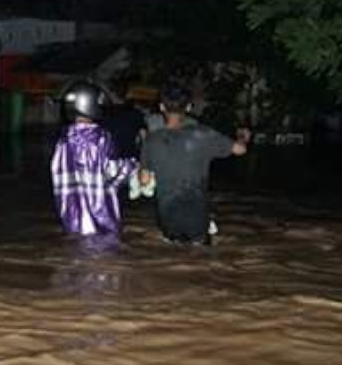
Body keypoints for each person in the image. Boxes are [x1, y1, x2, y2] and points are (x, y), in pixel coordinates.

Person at [140, 86, 250, 244]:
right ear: (189, 107)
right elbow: (240, 150)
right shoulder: (204, 134)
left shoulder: (151, 140)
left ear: (162, 107)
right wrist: (242, 137)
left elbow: (144, 180)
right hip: (198, 219)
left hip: (168, 220)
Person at [51, 80, 138, 236]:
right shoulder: (101, 138)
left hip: (71, 222)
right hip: (102, 222)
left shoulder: (62, 141)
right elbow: (112, 172)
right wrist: (133, 167)